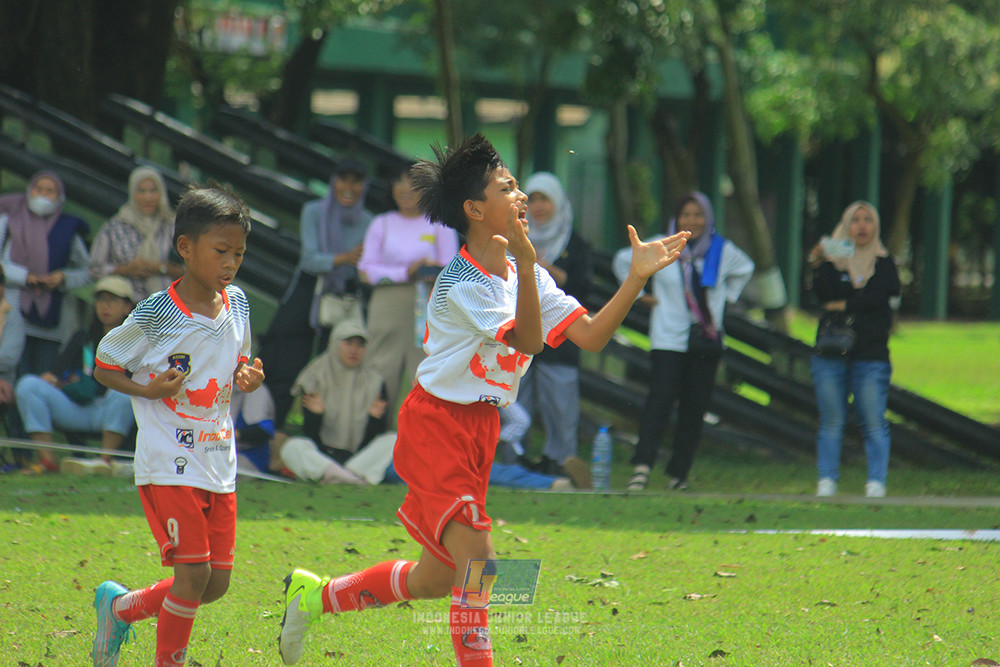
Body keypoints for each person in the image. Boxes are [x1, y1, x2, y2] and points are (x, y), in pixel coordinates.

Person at [276, 133, 688, 666]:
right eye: (506, 187)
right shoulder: (461, 282)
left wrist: (635, 277)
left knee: (437, 577)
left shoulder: (526, 273)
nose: (519, 196)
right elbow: (529, 342)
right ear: (475, 208)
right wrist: (523, 256)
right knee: (480, 562)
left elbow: (589, 335)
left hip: (479, 431)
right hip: (437, 425)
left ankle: (315, 596)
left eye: (516, 184)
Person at [89, 185, 265, 666]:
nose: (231, 263)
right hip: (168, 459)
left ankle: (120, 608)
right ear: (185, 248)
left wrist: (245, 375)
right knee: (192, 576)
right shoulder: (155, 314)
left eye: (239, 253)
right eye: (221, 251)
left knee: (215, 583)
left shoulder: (239, 303)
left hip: (218, 459)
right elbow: (105, 364)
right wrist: (147, 391)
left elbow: (238, 359)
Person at [614, 191, 754, 492]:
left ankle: (679, 474)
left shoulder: (721, 250)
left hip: (705, 340)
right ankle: (642, 467)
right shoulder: (662, 244)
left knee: (694, 407)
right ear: (676, 218)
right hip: (667, 338)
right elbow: (622, 260)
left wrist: (725, 299)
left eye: (698, 214)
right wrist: (640, 294)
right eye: (686, 214)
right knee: (659, 402)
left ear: (708, 217)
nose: (692, 221)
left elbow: (746, 269)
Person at [259, 157, 373, 429]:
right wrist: (344, 258)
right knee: (284, 360)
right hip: (309, 290)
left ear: (363, 186)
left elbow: (367, 266)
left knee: (333, 368)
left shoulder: (369, 221)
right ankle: (267, 431)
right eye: (343, 179)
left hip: (344, 297)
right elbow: (309, 259)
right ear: (334, 182)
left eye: (356, 181)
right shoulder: (313, 211)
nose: (349, 187)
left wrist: (355, 263)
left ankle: (319, 436)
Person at [807, 201, 900, 498]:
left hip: (871, 355)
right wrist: (818, 264)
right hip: (832, 353)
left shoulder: (884, 262)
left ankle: (875, 483)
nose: (861, 226)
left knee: (873, 419)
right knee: (831, 419)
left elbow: (881, 296)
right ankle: (827, 481)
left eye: (868, 220)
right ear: (845, 225)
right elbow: (823, 295)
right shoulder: (834, 261)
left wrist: (845, 304)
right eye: (855, 220)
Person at [358, 164, 459, 424]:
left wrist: (429, 270)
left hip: (429, 306)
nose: (405, 188)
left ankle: (420, 437)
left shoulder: (440, 223)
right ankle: (373, 436)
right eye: (398, 181)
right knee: (379, 371)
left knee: (425, 372)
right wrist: (406, 271)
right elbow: (366, 271)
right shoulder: (382, 223)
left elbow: (452, 267)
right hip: (387, 305)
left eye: (412, 182)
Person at [510, 171, 593, 487]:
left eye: (546, 199)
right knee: (517, 402)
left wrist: (549, 271)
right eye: (534, 200)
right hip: (519, 336)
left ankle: (563, 466)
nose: (540, 207)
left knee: (560, 405)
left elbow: (584, 289)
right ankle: (515, 463)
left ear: (558, 202)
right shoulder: (515, 237)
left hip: (562, 339)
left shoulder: (576, 242)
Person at [15, 275, 137, 475]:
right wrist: (54, 378)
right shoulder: (83, 335)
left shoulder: (137, 340)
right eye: (100, 300)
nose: (105, 306)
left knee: (123, 393)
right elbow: (56, 372)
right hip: (78, 405)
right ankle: (48, 461)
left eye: (112, 300)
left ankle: (104, 461)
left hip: (111, 410)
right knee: (28, 385)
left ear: (127, 307)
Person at [277, 320, 397, 486]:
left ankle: (342, 476)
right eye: (348, 343)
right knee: (292, 446)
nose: (354, 350)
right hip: (323, 456)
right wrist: (315, 415)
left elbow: (372, 440)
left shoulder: (374, 381)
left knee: (393, 439)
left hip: (358, 459)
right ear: (334, 344)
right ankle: (346, 477)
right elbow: (311, 436)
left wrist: (374, 419)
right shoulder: (315, 376)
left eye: (360, 345)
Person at [0, 170, 91, 375]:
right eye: (38, 189)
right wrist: (25, 277)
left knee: (41, 378)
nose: (42, 195)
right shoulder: (10, 221)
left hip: (51, 324)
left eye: (50, 191)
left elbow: (88, 270)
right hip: (12, 314)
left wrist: (63, 277)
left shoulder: (68, 228)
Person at [89, 165, 182, 302]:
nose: (148, 197)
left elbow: (193, 269)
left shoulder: (172, 226)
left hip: (168, 306)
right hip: (125, 307)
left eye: (153, 191)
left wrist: (160, 268)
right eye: (141, 191)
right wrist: (126, 269)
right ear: (133, 193)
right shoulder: (116, 226)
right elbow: (94, 268)